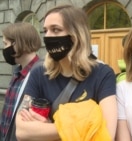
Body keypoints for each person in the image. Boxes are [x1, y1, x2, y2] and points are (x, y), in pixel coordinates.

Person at [15, 5, 117, 141]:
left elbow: (107, 134)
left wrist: (44, 130)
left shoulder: (103, 74)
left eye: (56, 30)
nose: (48, 36)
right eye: (45, 31)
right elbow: (21, 131)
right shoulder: (39, 72)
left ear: (76, 35)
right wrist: (82, 125)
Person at [0, 22, 41, 140]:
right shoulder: (18, 73)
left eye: (6, 44)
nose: (4, 49)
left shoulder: (41, 73)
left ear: (17, 43)